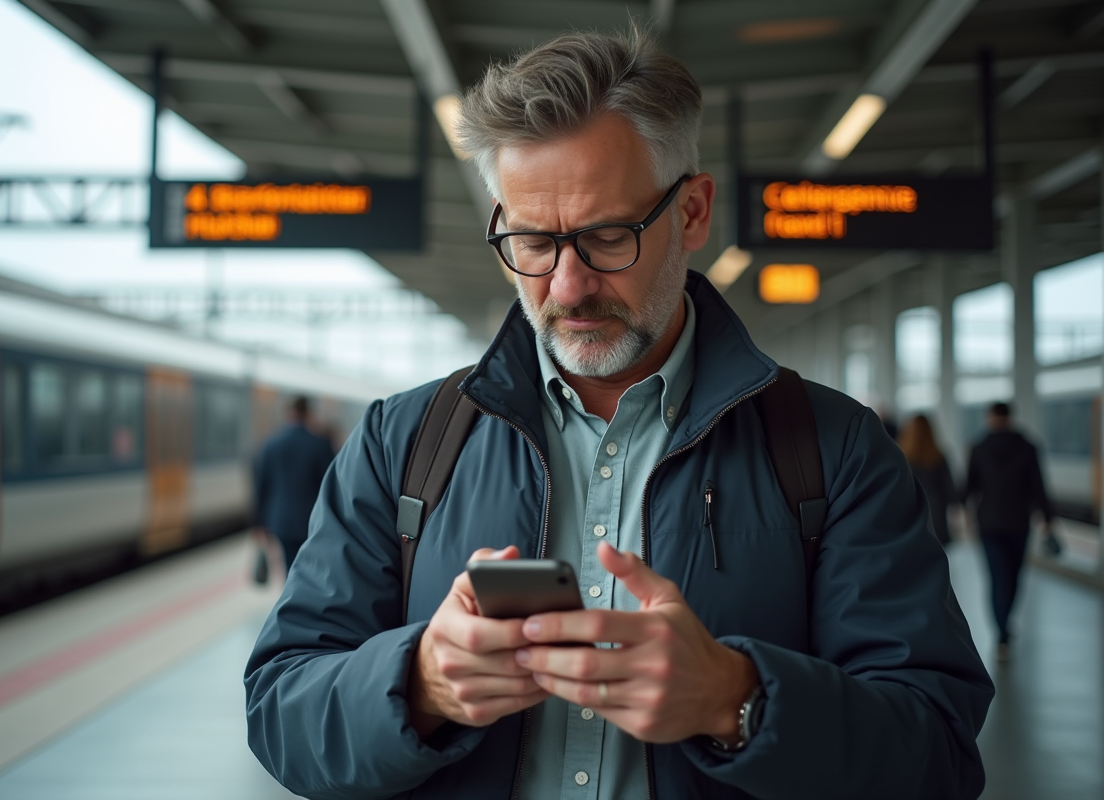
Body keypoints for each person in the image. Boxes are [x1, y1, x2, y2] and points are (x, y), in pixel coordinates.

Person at [245, 29, 992, 800]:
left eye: (607, 237)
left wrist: (735, 699)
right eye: (532, 242)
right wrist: (422, 686)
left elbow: (935, 750)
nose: (567, 287)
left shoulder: (833, 451)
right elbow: (280, 710)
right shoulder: (401, 444)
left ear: (693, 212)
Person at [963, 401, 1054, 662]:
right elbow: (1038, 484)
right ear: (1010, 418)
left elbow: (970, 485)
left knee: (996, 576)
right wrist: (1047, 517)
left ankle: (1001, 632)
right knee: (1014, 576)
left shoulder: (979, 447)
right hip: (1019, 521)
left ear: (990, 417)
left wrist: (962, 509)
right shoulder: (1028, 446)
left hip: (989, 522)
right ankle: (1006, 624)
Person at [250, 396, 335, 573]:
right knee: (311, 567)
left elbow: (261, 485)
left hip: (281, 519)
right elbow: (331, 484)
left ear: (288, 413)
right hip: (313, 519)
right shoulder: (320, 444)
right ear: (308, 414)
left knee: (290, 567)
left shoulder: (270, 444)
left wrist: (258, 523)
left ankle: (291, 594)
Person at [897, 414, 957, 545]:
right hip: (936, 511)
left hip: (911, 511)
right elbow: (950, 489)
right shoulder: (939, 456)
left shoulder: (902, 458)